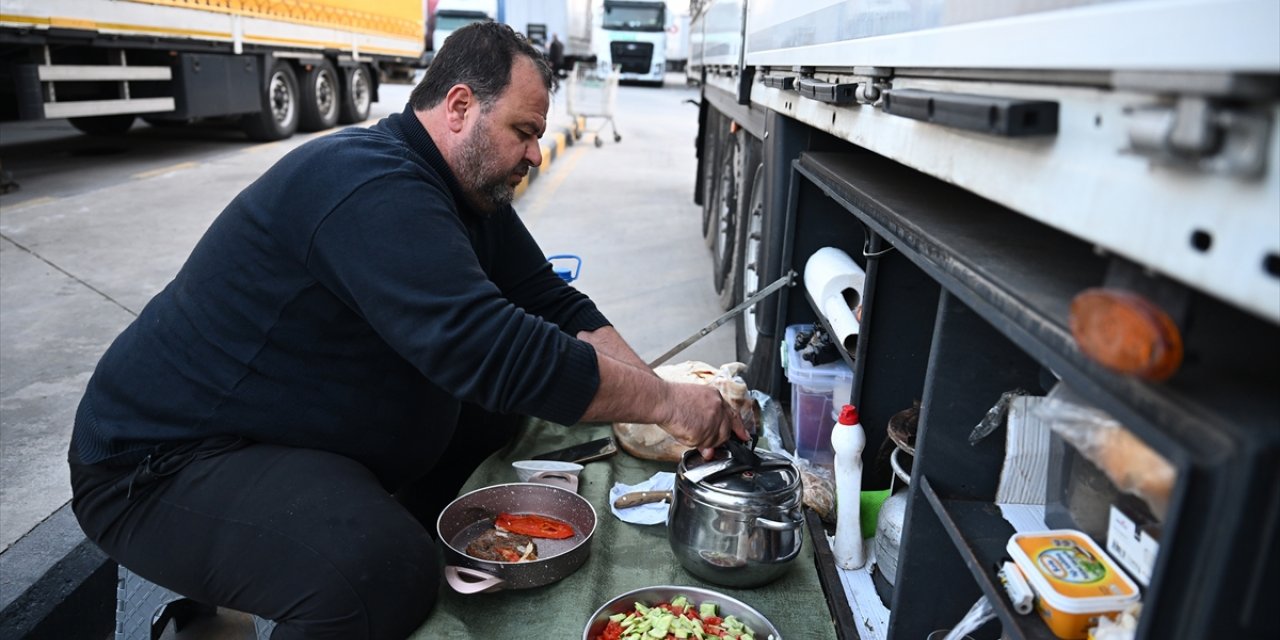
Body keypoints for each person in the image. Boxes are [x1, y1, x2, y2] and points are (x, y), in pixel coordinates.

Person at [67, 22, 748, 640]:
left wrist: (660, 395)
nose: (537, 153)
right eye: (524, 131)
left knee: (488, 416)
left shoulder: (464, 191)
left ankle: (348, 531)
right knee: (380, 577)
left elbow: (550, 301)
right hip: (159, 465)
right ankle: (278, 585)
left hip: (274, 426)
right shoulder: (370, 187)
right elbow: (493, 350)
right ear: (458, 108)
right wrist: (665, 404)